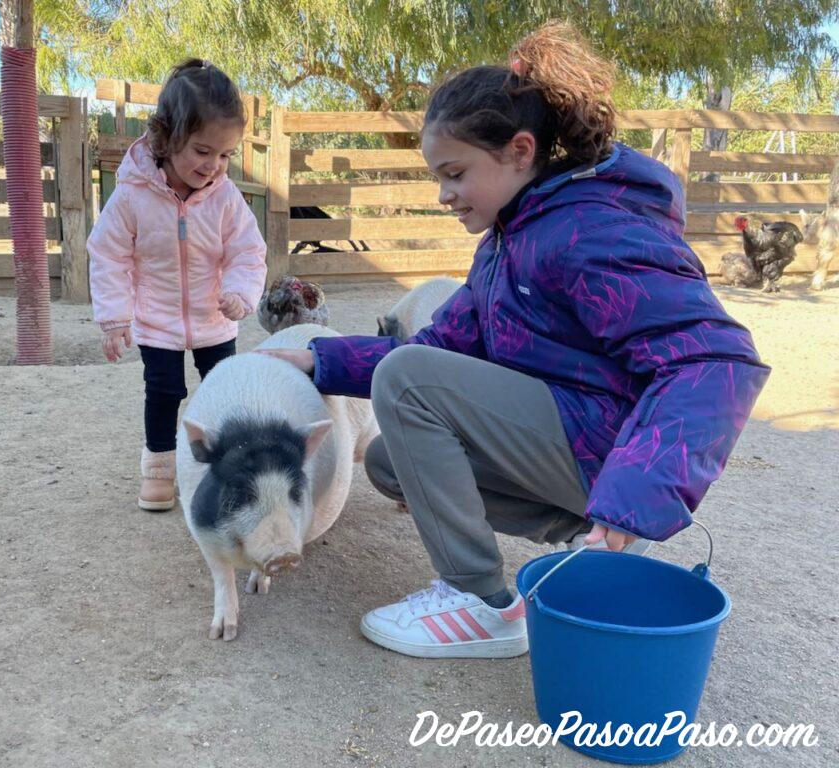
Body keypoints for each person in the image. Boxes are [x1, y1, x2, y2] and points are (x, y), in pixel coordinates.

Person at [260, 23, 769, 659]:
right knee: (392, 459)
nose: (444, 195)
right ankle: (586, 529)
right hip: (580, 448)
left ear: (521, 151)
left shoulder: (590, 229)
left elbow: (713, 360)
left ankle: (482, 602)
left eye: (455, 173)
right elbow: (442, 348)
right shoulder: (509, 240)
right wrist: (317, 359)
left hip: (608, 451)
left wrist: (632, 494)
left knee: (409, 383)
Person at [89, 59, 267, 512]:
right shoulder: (131, 194)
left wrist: (241, 292)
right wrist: (115, 318)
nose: (214, 166)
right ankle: (160, 471)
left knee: (221, 391)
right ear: (166, 139)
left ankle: (226, 470)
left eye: (226, 155)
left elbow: (248, 250)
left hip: (215, 318)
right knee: (164, 392)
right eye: (203, 151)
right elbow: (108, 252)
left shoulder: (225, 197)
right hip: (158, 319)